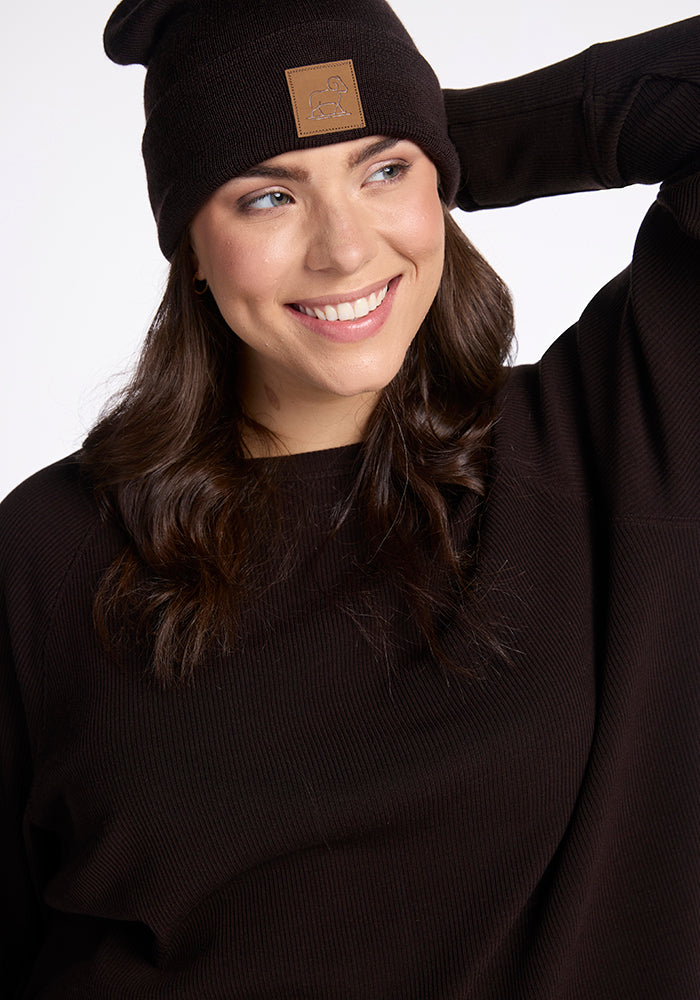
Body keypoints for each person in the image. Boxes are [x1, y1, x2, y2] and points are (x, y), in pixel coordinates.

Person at [1, 0, 698, 995]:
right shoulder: (47, 556)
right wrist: (377, 149)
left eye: (383, 172)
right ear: (189, 242)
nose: (341, 249)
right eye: (266, 197)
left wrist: (451, 148)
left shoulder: (611, 441)